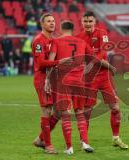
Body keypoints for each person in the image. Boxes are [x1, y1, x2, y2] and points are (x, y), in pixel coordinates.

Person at [76, 11, 128, 149]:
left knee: (115, 108)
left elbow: (104, 51)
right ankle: (83, 140)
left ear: (94, 22)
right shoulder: (78, 37)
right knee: (87, 110)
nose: (87, 24)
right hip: (89, 78)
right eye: (85, 21)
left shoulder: (102, 33)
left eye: (90, 21)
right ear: (82, 22)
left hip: (104, 77)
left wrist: (94, 61)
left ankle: (116, 138)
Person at [47, 20, 97, 154]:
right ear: (73, 30)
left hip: (63, 81)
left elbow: (51, 62)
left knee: (65, 114)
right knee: (80, 112)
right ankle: (85, 143)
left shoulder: (56, 42)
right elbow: (93, 59)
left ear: (61, 29)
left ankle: (69, 148)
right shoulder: (82, 42)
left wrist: (47, 79)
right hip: (79, 81)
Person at [31, 13, 68, 154]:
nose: (52, 23)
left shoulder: (53, 40)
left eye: (53, 21)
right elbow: (40, 63)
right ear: (42, 24)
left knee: (58, 112)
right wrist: (59, 62)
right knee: (46, 111)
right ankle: (48, 145)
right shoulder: (39, 41)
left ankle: (40, 139)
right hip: (42, 79)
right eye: (48, 21)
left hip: (52, 79)